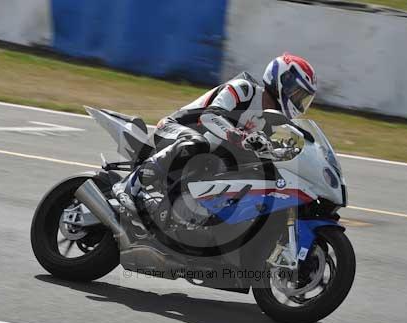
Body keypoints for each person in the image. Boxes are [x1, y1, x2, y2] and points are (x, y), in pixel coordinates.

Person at [113, 53, 317, 213]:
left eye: (303, 98)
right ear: (282, 80)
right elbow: (209, 117)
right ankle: (131, 185)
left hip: (207, 156)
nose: (298, 102)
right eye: (297, 94)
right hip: (176, 129)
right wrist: (240, 137)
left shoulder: (270, 122)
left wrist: (280, 152)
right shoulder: (244, 90)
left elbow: (257, 153)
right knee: (196, 142)